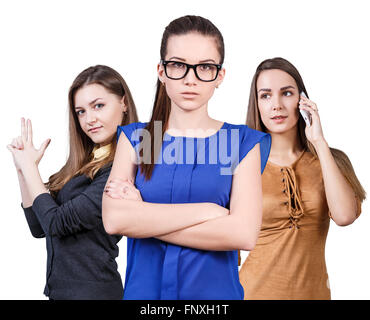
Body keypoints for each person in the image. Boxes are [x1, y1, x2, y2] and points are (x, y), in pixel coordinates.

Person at [102, 15, 271, 300]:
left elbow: (243, 234)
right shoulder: (138, 138)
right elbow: (114, 221)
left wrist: (143, 217)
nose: (190, 79)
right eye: (178, 65)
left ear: (220, 75)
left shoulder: (242, 141)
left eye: (205, 67)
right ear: (161, 71)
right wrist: (210, 212)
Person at [238, 57, 366, 300]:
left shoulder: (330, 161)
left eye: (286, 93)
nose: (276, 105)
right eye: (265, 96)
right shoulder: (242, 166)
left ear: (302, 99)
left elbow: (345, 216)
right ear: (256, 104)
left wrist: (319, 141)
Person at [7, 65, 139, 300]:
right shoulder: (86, 164)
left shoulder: (119, 168)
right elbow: (39, 227)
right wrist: (23, 170)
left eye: (98, 106)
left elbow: (55, 223)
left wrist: (30, 169)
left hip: (94, 293)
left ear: (124, 103)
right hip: (62, 293)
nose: (90, 119)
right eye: (81, 111)